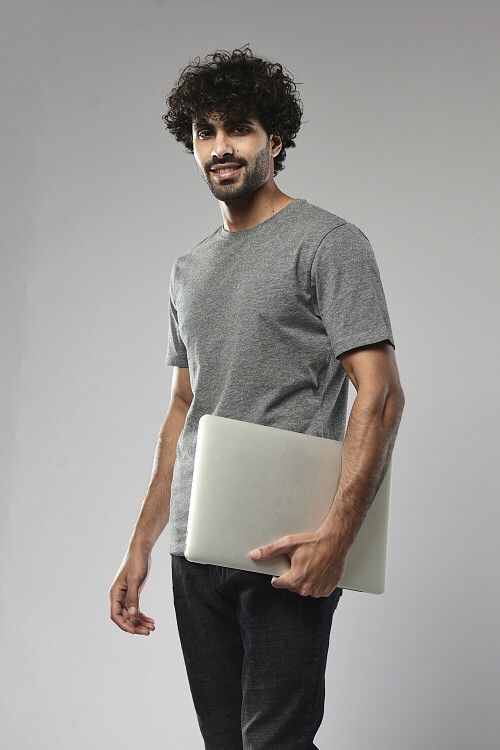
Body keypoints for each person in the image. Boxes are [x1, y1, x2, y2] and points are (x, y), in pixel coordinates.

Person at [109, 45, 405, 749]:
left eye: (238, 128)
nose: (220, 147)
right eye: (205, 132)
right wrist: (140, 546)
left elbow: (381, 394)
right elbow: (183, 410)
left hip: (286, 545)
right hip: (194, 549)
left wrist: (338, 536)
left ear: (275, 139)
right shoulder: (189, 269)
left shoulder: (328, 243)